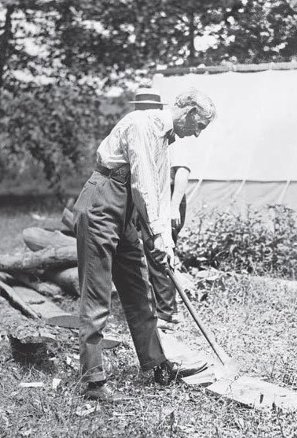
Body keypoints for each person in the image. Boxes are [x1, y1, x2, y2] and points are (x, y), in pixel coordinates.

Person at [73, 87, 216, 401]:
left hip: (125, 210)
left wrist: (165, 242)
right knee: (97, 295)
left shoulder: (165, 140)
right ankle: (93, 382)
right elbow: (143, 184)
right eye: (200, 126)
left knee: (140, 288)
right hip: (103, 201)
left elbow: (160, 195)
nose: (197, 134)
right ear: (190, 111)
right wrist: (157, 235)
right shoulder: (141, 124)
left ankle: (155, 365)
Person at [133, 88, 191, 328]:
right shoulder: (143, 130)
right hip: (151, 199)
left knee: (162, 252)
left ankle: (168, 312)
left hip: (170, 201)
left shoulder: (170, 132)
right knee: (153, 252)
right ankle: (163, 308)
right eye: (141, 107)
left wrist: (173, 207)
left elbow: (183, 172)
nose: (144, 111)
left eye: (149, 107)